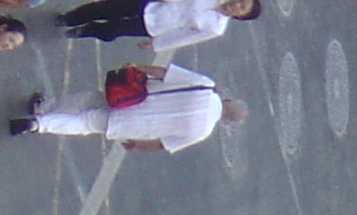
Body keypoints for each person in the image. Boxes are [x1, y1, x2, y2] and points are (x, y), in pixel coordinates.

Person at [12, 65, 243, 148]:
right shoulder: (202, 132)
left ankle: (43, 107)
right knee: (85, 124)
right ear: (226, 121)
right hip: (134, 125)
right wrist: (137, 145)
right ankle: (37, 124)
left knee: (87, 100)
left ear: (228, 101)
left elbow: (167, 73)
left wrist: (139, 68)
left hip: (131, 97)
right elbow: (163, 144)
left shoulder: (206, 86)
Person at [55, 0, 261, 51]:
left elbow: (187, 37)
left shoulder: (216, 27)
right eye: (241, 0)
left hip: (157, 25)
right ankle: (71, 18)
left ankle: (88, 30)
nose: (237, 4)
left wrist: (157, 45)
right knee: (108, 8)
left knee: (113, 31)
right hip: (155, 3)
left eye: (241, 8)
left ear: (240, 17)